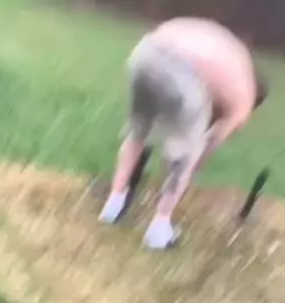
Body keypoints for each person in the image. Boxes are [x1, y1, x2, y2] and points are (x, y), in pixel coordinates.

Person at [99, 18, 268, 249]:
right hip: (183, 67)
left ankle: (112, 205)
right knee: (186, 155)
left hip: (145, 52)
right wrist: (189, 165)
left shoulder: (231, 64)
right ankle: (159, 229)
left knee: (138, 133)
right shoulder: (243, 101)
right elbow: (209, 145)